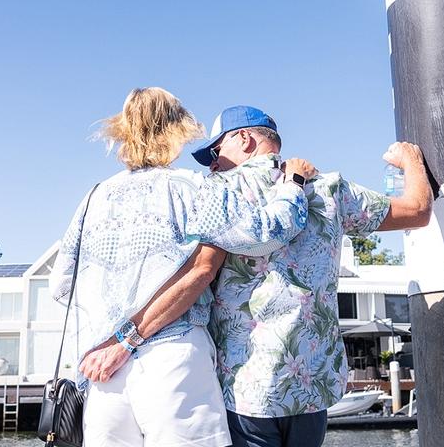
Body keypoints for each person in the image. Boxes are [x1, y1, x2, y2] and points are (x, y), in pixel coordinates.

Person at [79, 104, 434, 447]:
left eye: (216, 152)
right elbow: (418, 211)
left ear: (245, 139)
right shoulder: (329, 189)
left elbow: (200, 270)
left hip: (246, 388)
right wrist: (410, 160)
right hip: (313, 387)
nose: (214, 164)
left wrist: (125, 338)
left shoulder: (217, 191)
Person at [50, 88, 318, 447]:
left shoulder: (94, 197)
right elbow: (265, 234)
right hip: (171, 356)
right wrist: (294, 185)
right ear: (178, 130)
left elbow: (60, 286)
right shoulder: (193, 188)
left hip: (102, 368)